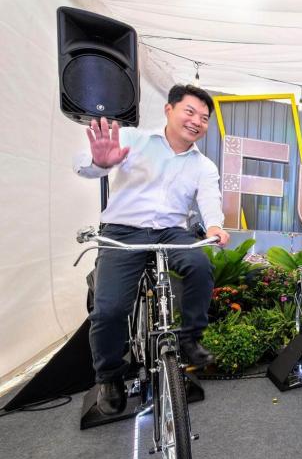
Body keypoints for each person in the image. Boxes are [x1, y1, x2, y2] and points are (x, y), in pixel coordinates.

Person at [74, 84, 230, 415]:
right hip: (123, 229)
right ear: (169, 110)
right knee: (109, 309)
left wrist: (215, 226)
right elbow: (84, 165)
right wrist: (99, 162)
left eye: (204, 118)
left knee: (200, 265)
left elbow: (210, 201)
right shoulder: (134, 139)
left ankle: (189, 338)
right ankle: (110, 377)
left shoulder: (204, 166)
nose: (197, 121)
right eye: (190, 112)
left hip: (172, 232)